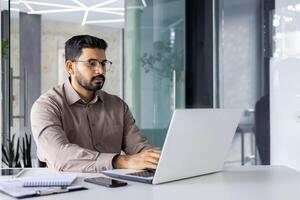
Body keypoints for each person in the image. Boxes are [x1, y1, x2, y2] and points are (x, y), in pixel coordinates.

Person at [31, 35, 161, 172]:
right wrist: (120, 161)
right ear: (70, 67)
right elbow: (59, 156)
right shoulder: (47, 106)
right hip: (69, 190)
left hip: (115, 189)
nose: (100, 70)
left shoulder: (118, 106)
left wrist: (157, 159)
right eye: (91, 63)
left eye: (103, 63)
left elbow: (139, 147)